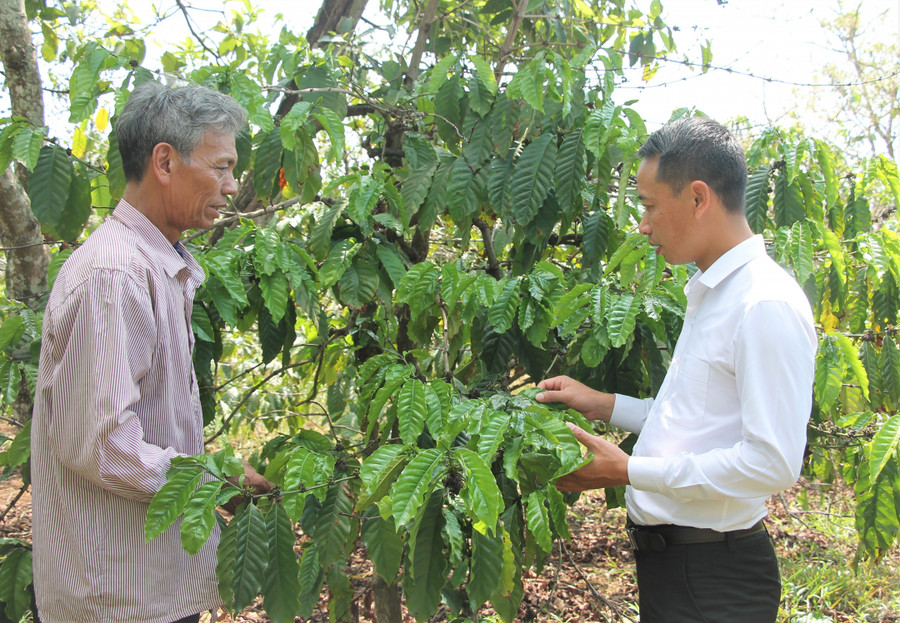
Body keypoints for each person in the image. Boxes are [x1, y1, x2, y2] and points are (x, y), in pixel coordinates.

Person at [537, 117, 817, 622]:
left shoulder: (762, 304)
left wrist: (627, 471)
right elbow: (697, 419)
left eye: (647, 205)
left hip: (714, 579)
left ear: (697, 198)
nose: (642, 225)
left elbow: (772, 463)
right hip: (677, 569)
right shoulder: (713, 292)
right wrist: (602, 405)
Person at [30, 81, 271, 623]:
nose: (233, 187)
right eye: (222, 166)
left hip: (151, 585)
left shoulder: (157, 263)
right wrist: (217, 478)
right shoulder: (115, 275)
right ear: (165, 161)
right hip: (116, 596)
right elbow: (106, 446)